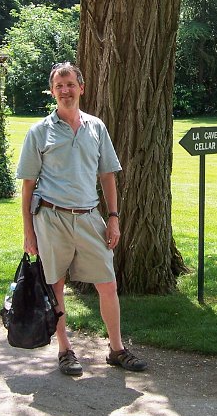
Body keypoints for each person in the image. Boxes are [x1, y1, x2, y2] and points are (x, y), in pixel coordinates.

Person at [16, 61, 147, 376]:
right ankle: (65, 350)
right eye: (59, 86)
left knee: (108, 284)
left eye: (70, 85)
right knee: (56, 286)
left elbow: (107, 175)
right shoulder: (39, 132)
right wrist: (28, 232)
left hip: (89, 217)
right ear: (52, 92)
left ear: (81, 88)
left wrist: (113, 217)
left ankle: (116, 349)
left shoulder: (96, 127)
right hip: (51, 219)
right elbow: (28, 186)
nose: (65, 91)